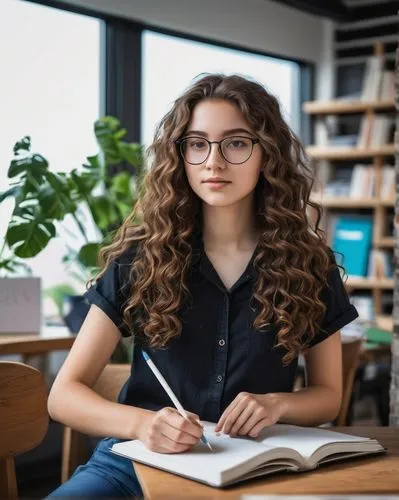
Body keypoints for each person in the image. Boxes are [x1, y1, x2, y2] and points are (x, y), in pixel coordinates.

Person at [47, 73, 358, 498]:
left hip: (255, 470)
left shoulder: (309, 266)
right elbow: (63, 396)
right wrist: (142, 424)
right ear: (182, 156)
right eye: (197, 144)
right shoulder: (140, 257)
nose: (214, 162)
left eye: (235, 143)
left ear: (266, 154)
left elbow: (329, 397)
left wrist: (277, 404)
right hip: (136, 465)